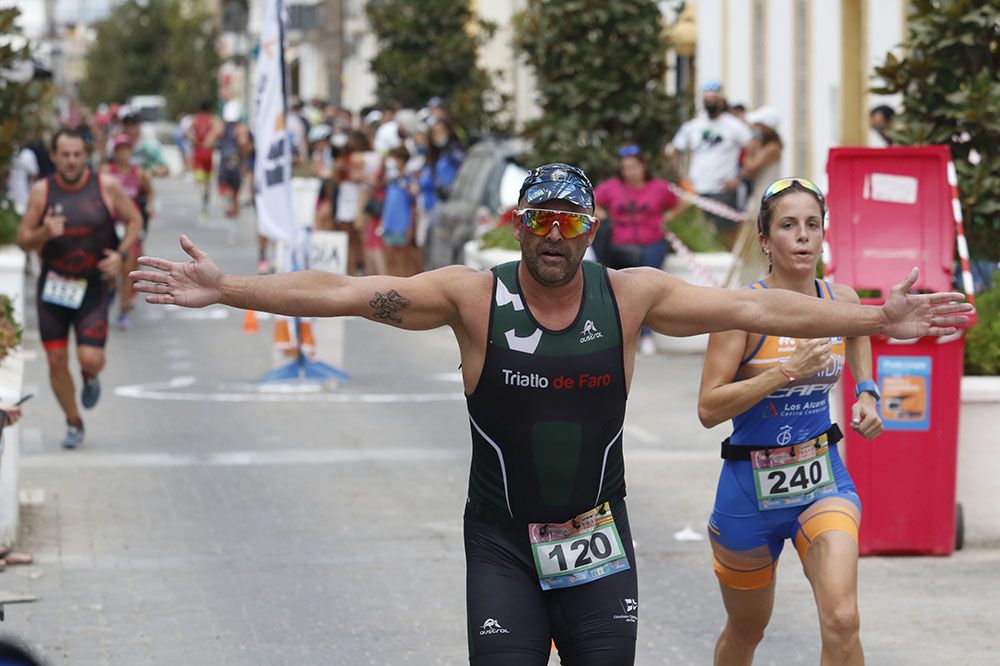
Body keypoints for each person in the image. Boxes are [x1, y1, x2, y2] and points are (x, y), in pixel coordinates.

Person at [131, 163, 970, 665]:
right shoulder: (472, 297)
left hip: (597, 541)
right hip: (503, 543)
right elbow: (349, 292)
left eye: (569, 221)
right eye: (540, 222)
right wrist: (228, 287)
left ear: (590, 228)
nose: (554, 236)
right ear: (520, 227)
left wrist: (873, 319)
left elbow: (757, 309)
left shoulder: (631, 297)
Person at [698, 178, 884, 666]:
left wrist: (867, 393)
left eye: (812, 225)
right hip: (747, 492)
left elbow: (859, 331)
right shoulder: (740, 312)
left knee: (843, 619)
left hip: (822, 479)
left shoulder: (841, 300)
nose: (802, 235)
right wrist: (785, 372)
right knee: (747, 630)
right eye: (788, 225)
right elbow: (709, 408)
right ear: (764, 240)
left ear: (823, 235)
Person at [16, 128, 143, 449]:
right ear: (54, 157)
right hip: (54, 287)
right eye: (65, 155)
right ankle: (73, 421)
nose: (71, 161)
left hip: (92, 285)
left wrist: (121, 255)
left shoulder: (106, 186)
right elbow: (22, 240)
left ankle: (90, 374)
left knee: (91, 357)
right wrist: (43, 233)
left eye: (77, 155)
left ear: (86, 156)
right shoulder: (42, 191)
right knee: (56, 360)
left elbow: (135, 220)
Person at [594, 145, 680, 354]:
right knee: (620, 289)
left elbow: (680, 202)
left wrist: (667, 217)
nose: (629, 172)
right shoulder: (612, 187)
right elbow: (590, 201)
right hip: (620, 245)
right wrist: (603, 215)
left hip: (652, 244)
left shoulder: (659, 187)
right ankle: (621, 334)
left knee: (648, 286)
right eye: (625, 168)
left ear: (643, 167)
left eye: (633, 167)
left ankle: (646, 335)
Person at [669, 80, 753, 248]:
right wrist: (682, 178)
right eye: (707, 100)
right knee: (696, 235)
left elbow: (753, 149)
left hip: (723, 190)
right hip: (696, 191)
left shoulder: (734, 125)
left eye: (714, 99)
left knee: (726, 234)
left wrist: (740, 178)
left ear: (721, 101)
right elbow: (674, 151)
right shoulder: (693, 126)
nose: (710, 103)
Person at [102, 134, 153, 330]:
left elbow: (149, 191)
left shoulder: (138, 174)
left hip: (131, 228)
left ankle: (123, 311)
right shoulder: (107, 172)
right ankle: (110, 291)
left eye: (127, 149)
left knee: (129, 270)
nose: (123, 153)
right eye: (120, 149)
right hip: (110, 228)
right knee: (110, 270)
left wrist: (150, 205)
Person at [188, 101, 222, 217]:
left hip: (198, 153)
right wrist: (211, 138)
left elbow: (186, 131)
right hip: (207, 153)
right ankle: (205, 200)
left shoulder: (196, 119)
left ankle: (203, 197)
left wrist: (194, 139)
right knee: (207, 182)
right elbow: (218, 130)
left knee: (200, 180)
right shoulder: (212, 119)